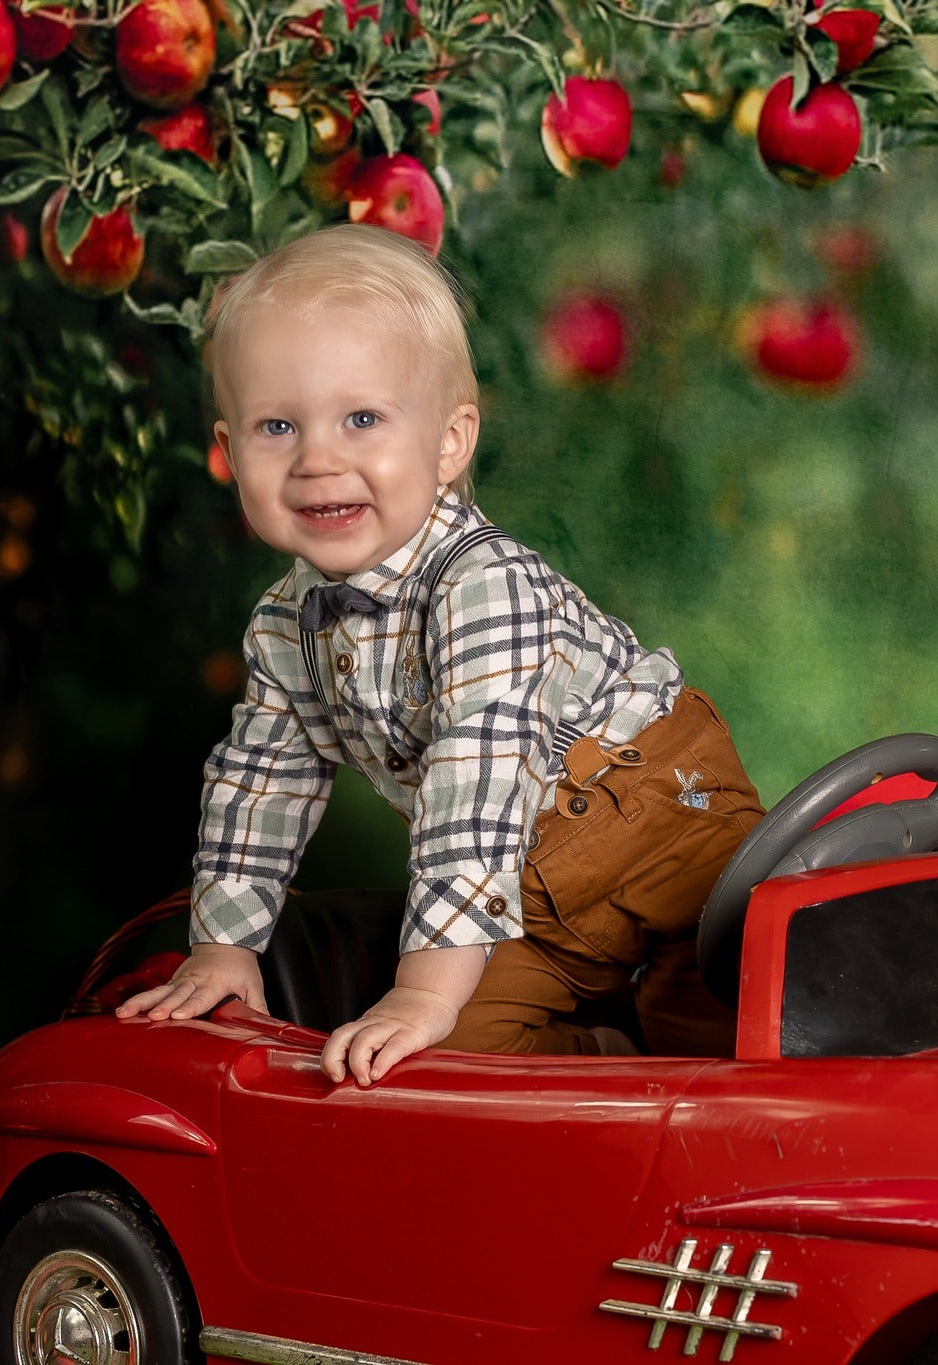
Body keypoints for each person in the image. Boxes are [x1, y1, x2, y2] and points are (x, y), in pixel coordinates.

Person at [116, 223, 764, 1085]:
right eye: (278, 426)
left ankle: (669, 1037)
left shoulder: (482, 585)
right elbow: (261, 776)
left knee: (737, 1023)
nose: (317, 460)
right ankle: (618, 1069)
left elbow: (473, 781)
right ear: (231, 455)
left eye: (361, 418)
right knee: (451, 1066)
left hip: (660, 824)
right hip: (521, 897)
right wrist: (226, 944)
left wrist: (422, 988)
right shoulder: (284, 625)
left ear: (450, 442)